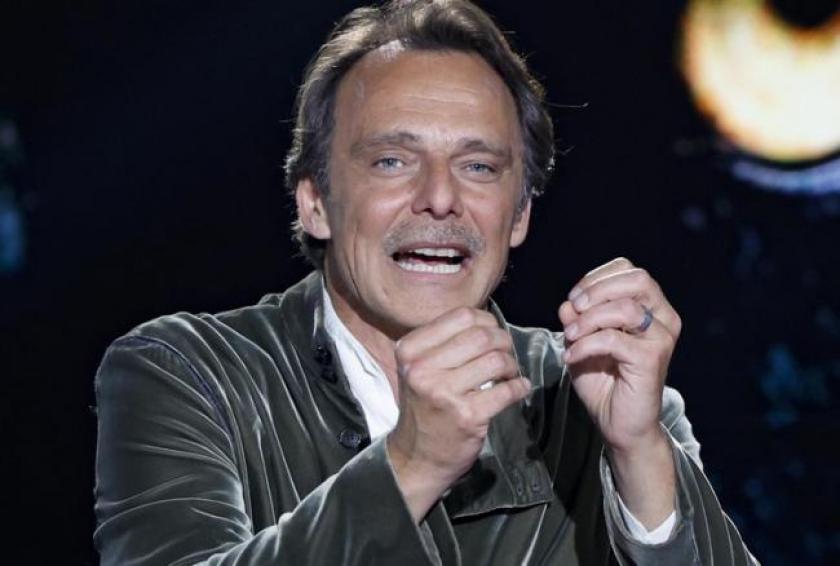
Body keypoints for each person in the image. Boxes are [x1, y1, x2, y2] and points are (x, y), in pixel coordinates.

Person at [93, 1, 756, 564]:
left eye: (478, 167)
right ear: (315, 203)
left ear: (519, 216)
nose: (440, 198)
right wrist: (410, 465)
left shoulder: (595, 395)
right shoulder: (186, 373)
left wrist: (639, 454)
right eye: (392, 161)